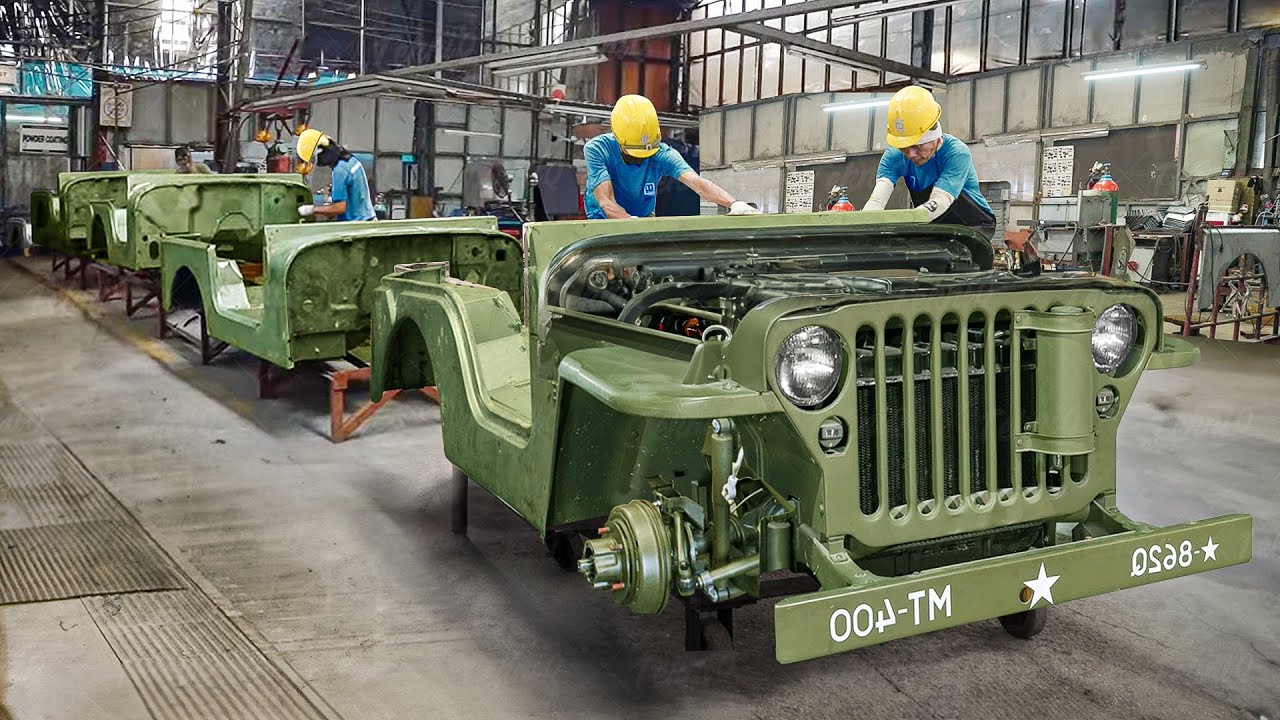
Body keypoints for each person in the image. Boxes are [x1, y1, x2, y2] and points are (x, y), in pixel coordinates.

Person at [585, 95, 760, 219]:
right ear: (617, 138)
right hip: (602, 217)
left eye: (646, 154)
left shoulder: (661, 153)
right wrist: (631, 223)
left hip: (643, 214)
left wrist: (734, 203)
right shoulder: (598, 149)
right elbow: (605, 202)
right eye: (634, 153)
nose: (641, 159)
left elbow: (697, 183)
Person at [861, 86, 997, 239]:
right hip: (935, 225)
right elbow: (877, 202)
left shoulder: (956, 153)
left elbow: (940, 201)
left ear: (934, 135)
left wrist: (903, 222)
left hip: (973, 226)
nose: (911, 154)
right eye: (904, 148)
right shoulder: (894, 156)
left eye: (917, 146)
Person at [294, 128, 376, 221]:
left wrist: (312, 210)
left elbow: (340, 208)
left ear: (320, 153)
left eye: (313, 159)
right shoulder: (350, 160)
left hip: (356, 225)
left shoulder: (339, 171)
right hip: (368, 218)